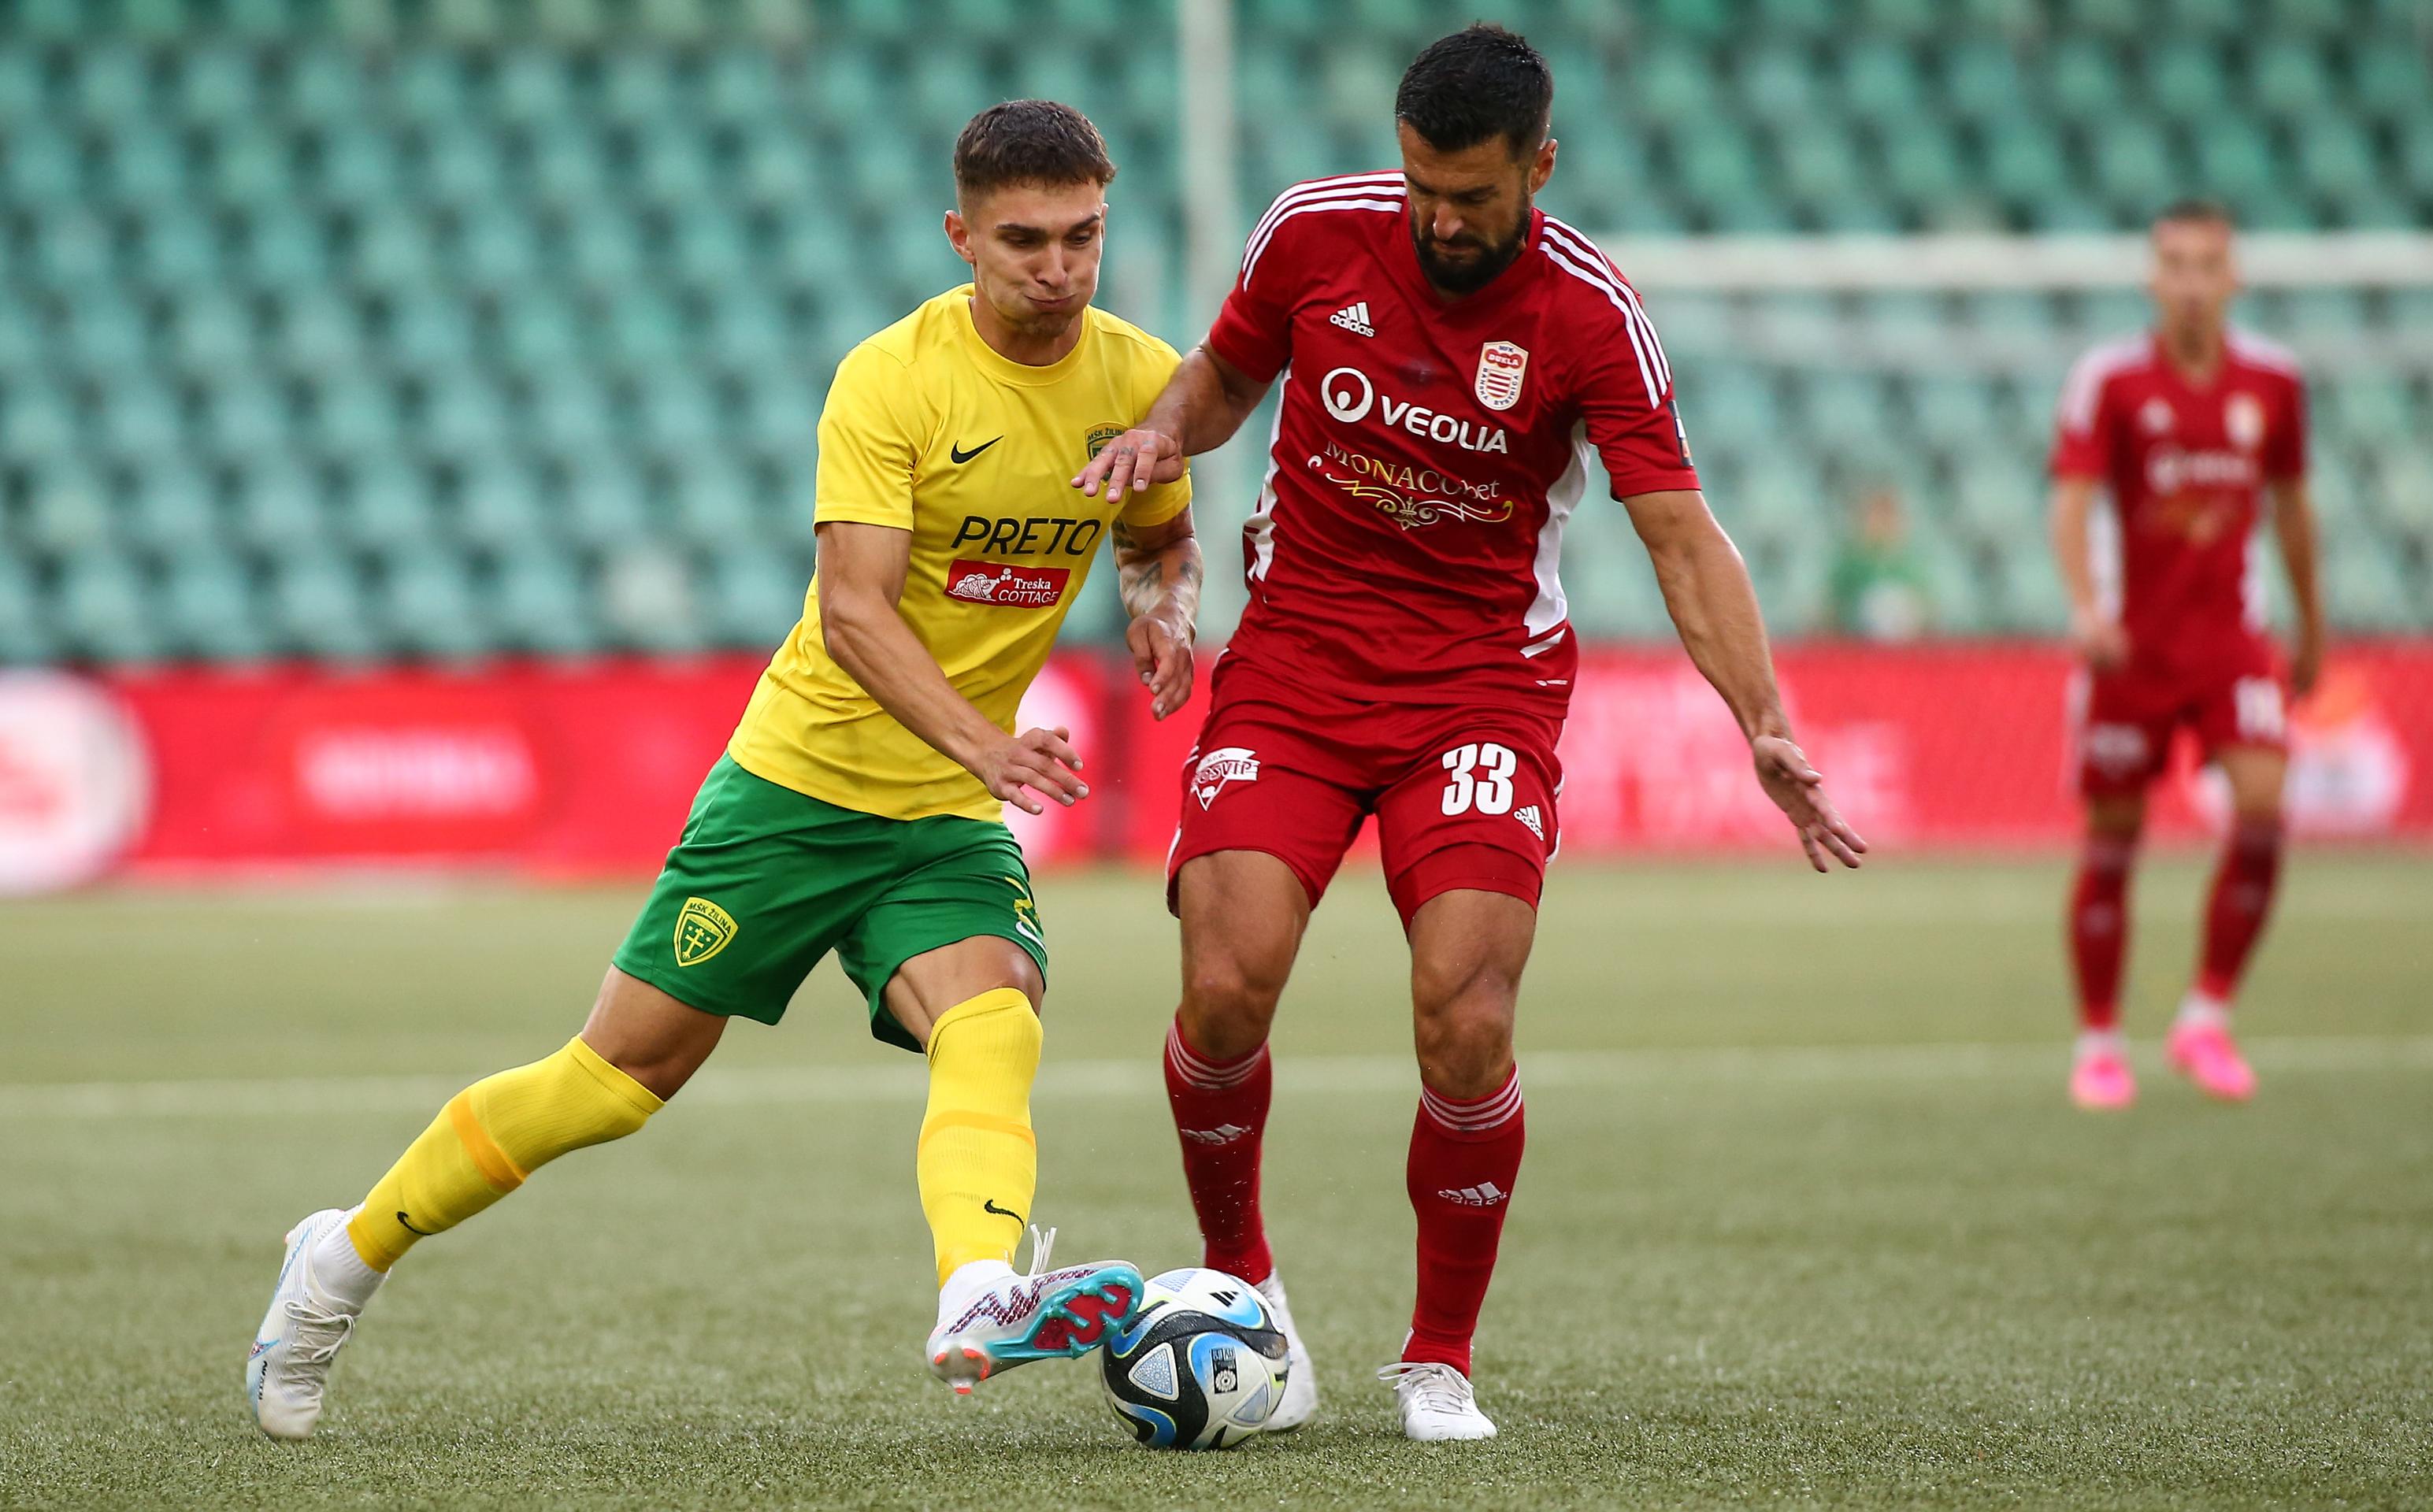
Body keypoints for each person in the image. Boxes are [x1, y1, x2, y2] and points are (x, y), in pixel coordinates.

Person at [247, 101, 1205, 1439]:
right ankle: (340, 1259)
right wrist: (988, 743)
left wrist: (1164, 608)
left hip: (938, 814)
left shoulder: (1141, 375)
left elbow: (1156, 534)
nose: (1058, 267)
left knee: (996, 1014)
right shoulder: (893, 380)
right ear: (961, 237)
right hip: (796, 789)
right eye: (1023, 241)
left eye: (1082, 236)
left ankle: (977, 1288)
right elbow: (855, 613)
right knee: (612, 1083)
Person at [1074, 25, 1864, 1443]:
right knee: (1223, 986)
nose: (1439, 221)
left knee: (1466, 1016)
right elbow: (1223, 376)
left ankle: (1437, 1356)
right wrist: (1160, 434)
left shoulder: (1589, 316)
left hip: (1479, 688)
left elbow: (1681, 539)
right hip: (1297, 665)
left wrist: (1761, 722)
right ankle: (1246, 1289)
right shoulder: (1314, 234)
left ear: (1538, 168)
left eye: (1473, 197)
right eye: (1422, 189)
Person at [2049, 199, 2320, 1111]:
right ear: (2151, 278)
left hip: (2231, 643)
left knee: (2262, 807)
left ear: (2232, 277)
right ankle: (2098, 1042)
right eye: (2175, 264)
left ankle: (2205, 1015)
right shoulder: (2110, 381)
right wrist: (2086, 608)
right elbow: (2070, 499)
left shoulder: (2273, 382)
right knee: (2112, 842)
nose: (2191, 283)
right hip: (2132, 647)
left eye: (2207, 265)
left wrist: (2312, 625)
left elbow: (2291, 508)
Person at [1827, 485, 1934, 640]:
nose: (1881, 525)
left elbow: (1926, 610)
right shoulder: (1850, 566)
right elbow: (1833, 611)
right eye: (1875, 517)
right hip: (1857, 643)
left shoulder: (1911, 566)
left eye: (1887, 518)